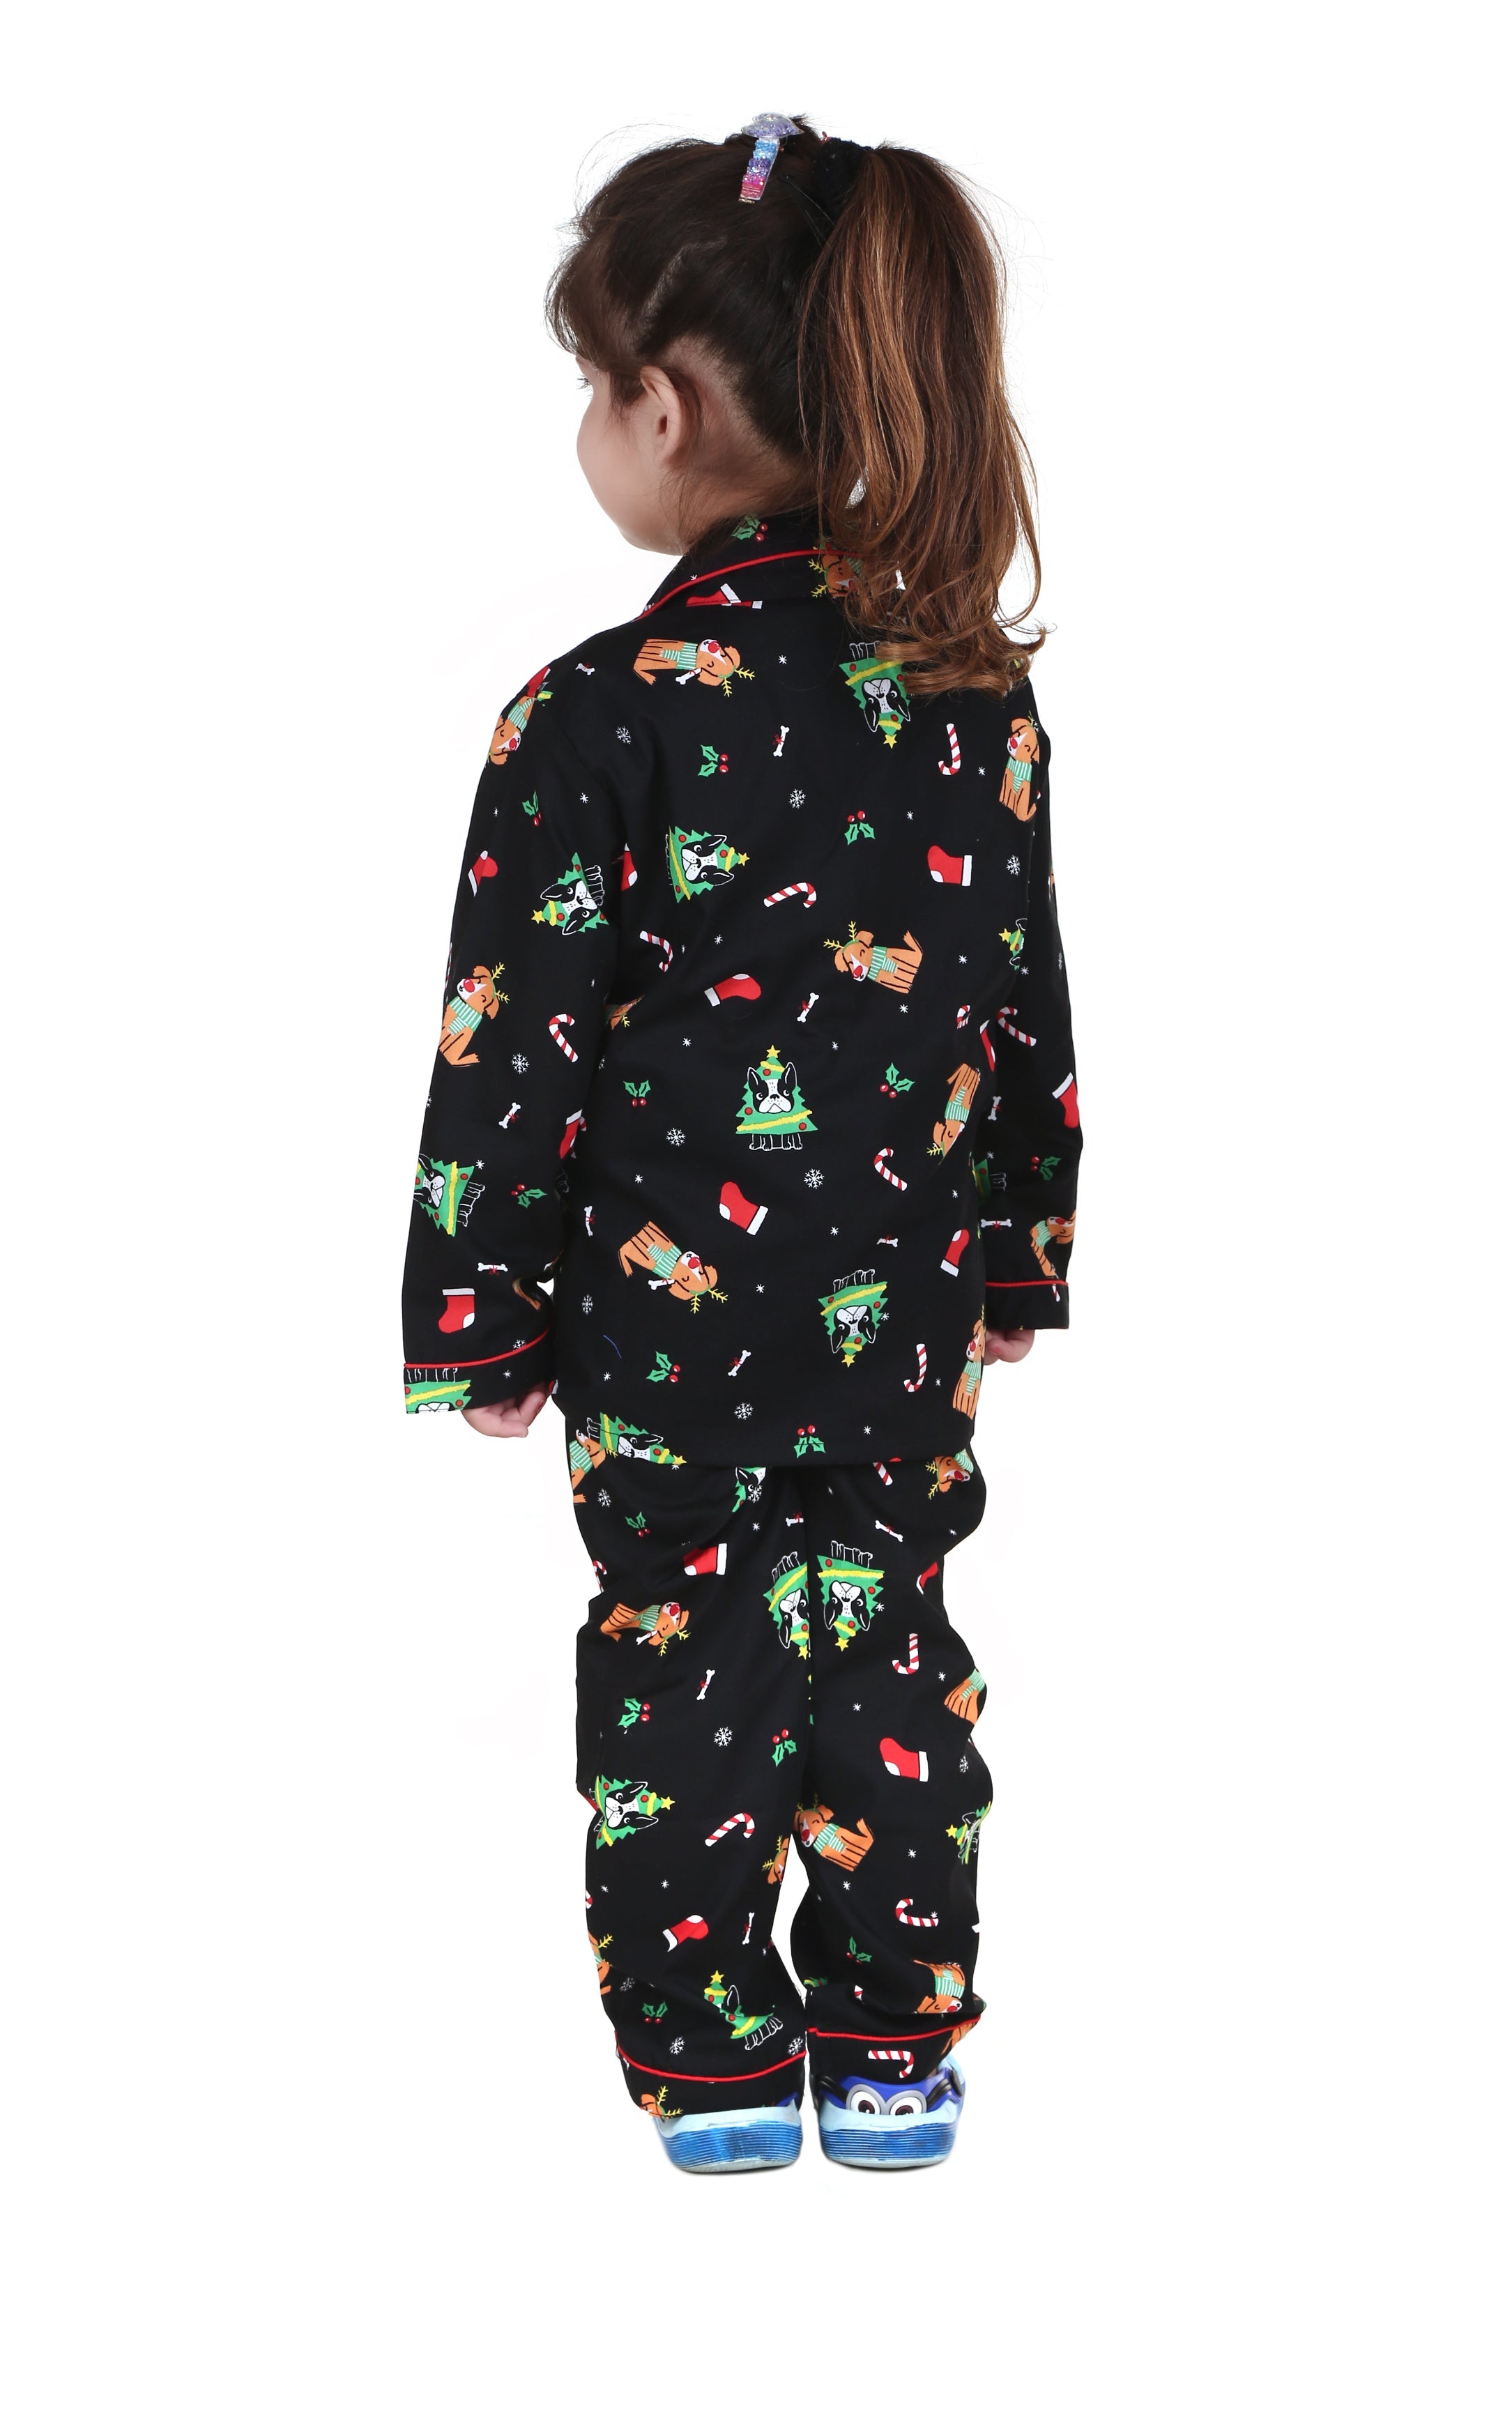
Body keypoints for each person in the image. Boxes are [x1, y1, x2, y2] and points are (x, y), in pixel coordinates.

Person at [401, 114, 1082, 2173]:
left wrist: (482, 1319)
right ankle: (894, 2053)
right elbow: (1020, 1007)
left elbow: (509, 1051)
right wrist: (1019, 1251)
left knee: (680, 1665)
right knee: (889, 1647)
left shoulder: (590, 714)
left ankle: (710, 2071)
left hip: (664, 1342)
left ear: (667, 408)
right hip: (900, 1332)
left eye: (591, 386)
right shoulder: (973, 702)